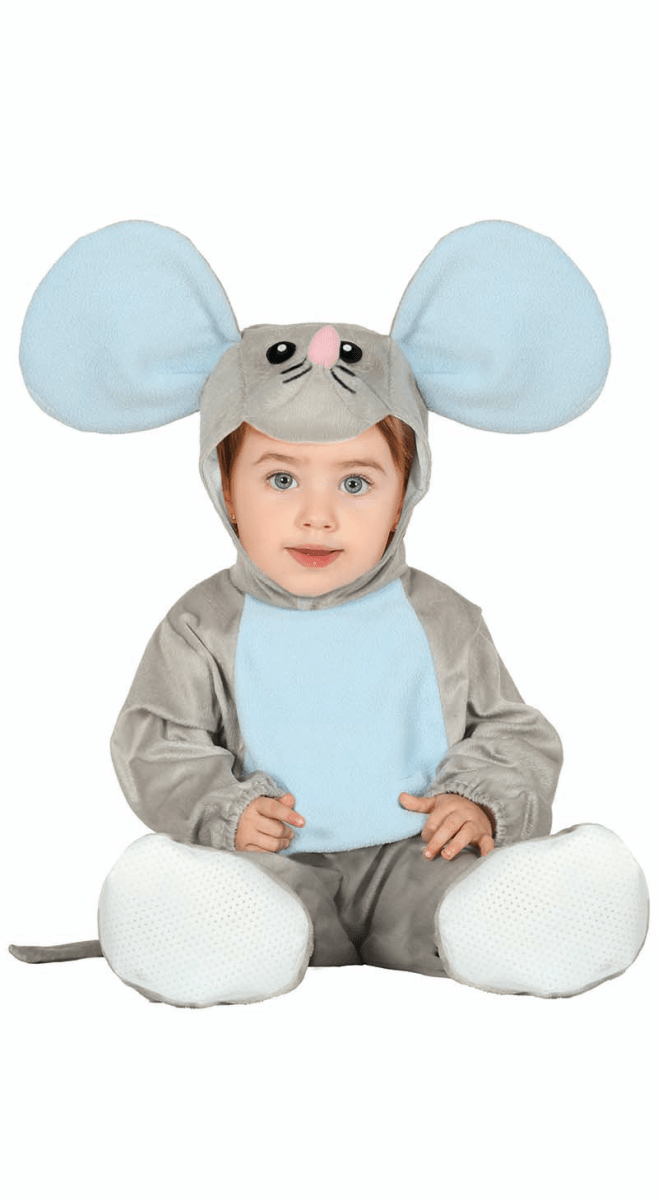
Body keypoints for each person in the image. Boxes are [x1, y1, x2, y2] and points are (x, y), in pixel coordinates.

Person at [11, 220, 649, 1006]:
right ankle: (216, 929)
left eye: (355, 483)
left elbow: (509, 728)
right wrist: (225, 811)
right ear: (225, 486)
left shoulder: (443, 620)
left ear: (406, 490)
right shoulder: (202, 627)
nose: (318, 517)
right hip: (271, 865)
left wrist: (478, 799)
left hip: (416, 860)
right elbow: (157, 740)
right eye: (281, 480)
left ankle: (510, 920)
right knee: (228, 892)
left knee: (472, 886)